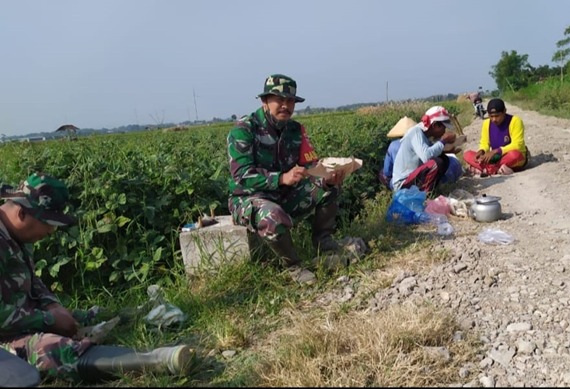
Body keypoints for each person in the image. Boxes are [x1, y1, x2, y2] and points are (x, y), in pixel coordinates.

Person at [0, 173, 194, 384]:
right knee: (52, 351)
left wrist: (51, 306)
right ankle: (157, 361)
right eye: (48, 223)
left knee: (88, 318)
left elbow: (31, 281)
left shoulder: (18, 236)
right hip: (6, 335)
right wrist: (48, 320)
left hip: (24, 318)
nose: (51, 230)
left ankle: (141, 314)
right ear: (21, 214)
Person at [227, 74, 355, 284]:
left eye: (291, 101)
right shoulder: (244, 129)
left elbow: (310, 164)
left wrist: (328, 176)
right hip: (247, 199)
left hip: (284, 196)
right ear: (265, 101)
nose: (286, 106)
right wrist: (281, 178)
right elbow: (241, 176)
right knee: (272, 214)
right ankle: (293, 267)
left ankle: (324, 242)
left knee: (327, 187)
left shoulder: (295, 130)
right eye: (280, 100)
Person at [390, 106, 457, 195]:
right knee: (437, 163)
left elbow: (431, 151)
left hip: (412, 178)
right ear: (435, 125)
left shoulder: (425, 135)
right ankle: (424, 196)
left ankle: (431, 191)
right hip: (403, 183)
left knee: (443, 159)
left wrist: (446, 148)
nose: (444, 131)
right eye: (443, 128)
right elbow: (427, 156)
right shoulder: (416, 132)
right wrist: (443, 141)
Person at [462, 98, 529, 176]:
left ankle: (485, 169)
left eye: (497, 116)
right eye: (491, 116)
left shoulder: (515, 121)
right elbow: (485, 142)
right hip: (494, 158)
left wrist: (496, 151)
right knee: (467, 154)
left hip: (508, 156)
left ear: (504, 112)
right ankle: (495, 169)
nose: (494, 119)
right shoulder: (486, 123)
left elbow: (518, 144)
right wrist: (481, 151)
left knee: (515, 155)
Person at [380, 138, 463, 191]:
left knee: (382, 173)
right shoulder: (422, 142)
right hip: (422, 178)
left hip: (405, 181)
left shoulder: (393, 145)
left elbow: (387, 172)